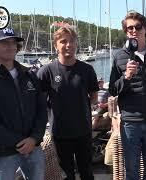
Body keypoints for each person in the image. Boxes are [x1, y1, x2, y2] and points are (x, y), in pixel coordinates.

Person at [109, 10, 146, 180]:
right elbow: (113, 89)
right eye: (129, 28)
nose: (133, 30)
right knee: (132, 170)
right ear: (125, 32)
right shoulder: (119, 56)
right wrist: (126, 77)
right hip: (130, 123)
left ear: (145, 29)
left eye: (138, 26)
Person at [0, 27, 47, 180]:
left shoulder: (29, 75)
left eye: (13, 42)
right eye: (4, 42)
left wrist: (34, 139)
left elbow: (41, 110)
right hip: (2, 152)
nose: (10, 46)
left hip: (33, 148)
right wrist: (19, 142)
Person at [37, 27, 99, 180]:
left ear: (76, 44)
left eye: (72, 41)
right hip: (59, 134)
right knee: (67, 175)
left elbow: (94, 97)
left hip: (83, 131)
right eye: (63, 41)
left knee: (87, 172)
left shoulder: (87, 70)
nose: (68, 45)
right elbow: (39, 103)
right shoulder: (46, 72)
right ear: (55, 45)